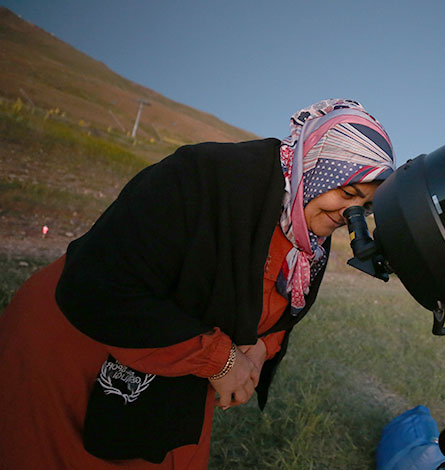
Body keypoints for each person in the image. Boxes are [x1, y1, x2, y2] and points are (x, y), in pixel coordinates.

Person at [0, 99, 396, 468]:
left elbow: (277, 308)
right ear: (316, 166)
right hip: (76, 346)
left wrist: (260, 348)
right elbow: (104, 280)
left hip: (174, 368)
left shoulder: (307, 240)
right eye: (348, 192)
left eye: (364, 206)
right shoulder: (206, 176)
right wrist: (219, 361)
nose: (350, 215)